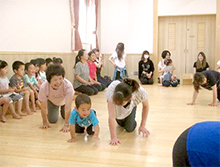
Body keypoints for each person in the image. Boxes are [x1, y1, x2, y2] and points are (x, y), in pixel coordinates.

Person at [105, 78, 150, 146]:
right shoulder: (112, 89)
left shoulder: (140, 92)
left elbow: (146, 106)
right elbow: (111, 116)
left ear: (131, 97)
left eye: (121, 103)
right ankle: (121, 120)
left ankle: (130, 113)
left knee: (129, 128)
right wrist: (113, 137)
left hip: (131, 106)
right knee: (120, 121)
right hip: (118, 113)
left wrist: (142, 126)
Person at [38, 64, 74, 132]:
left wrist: (66, 125)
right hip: (52, 101)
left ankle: (62, 110)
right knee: (52, 120)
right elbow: (43, 107)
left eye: (60, 78)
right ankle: (55, 108)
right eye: (55, 80)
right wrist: (45, 122)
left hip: (64, 102)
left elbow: (68, 106)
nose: (58, 82)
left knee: (65, 117)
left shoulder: (68, 85)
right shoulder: (44, 87)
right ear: (49, 80)